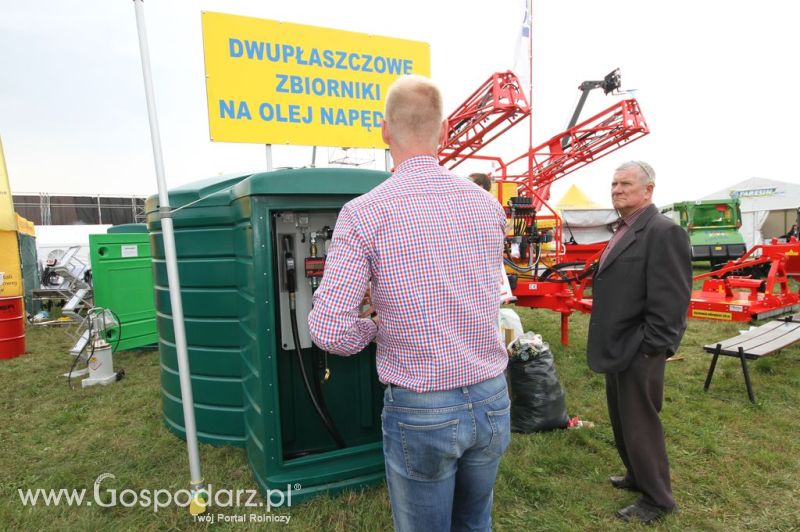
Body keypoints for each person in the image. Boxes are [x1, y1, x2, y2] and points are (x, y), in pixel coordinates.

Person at [308, 75, 510, 532]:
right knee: (476, 522)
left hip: (423, 407)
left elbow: (330, 330)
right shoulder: (486, 206)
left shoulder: (364, 212)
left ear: (384, 131)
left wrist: (376, 324)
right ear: (445, 132)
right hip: (492, 395)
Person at [586, 161, 691, 524]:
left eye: (626, 183)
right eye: (614, 183)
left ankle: (658, 499)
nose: (617, 189)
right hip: (618, 343)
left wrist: (651, 347)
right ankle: (636, 475)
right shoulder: (626, 228)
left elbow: (672, 300)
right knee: (622, 418)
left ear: (648, 190)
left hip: (639, 348)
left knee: (640, 423)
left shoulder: (663, 232)